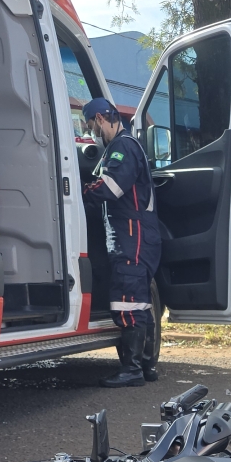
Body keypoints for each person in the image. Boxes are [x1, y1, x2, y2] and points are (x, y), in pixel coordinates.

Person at [81, 97, 162, 387]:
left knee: (128, 299)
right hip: (135, 233)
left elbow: (110, 188)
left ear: (101, 119)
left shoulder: (122, 147)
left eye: (91, 126)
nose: (91, 132)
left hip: (132, 233)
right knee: (139, 302)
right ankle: (146, 367)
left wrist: (79, 192)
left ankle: (131, 370)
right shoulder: (123, 146)